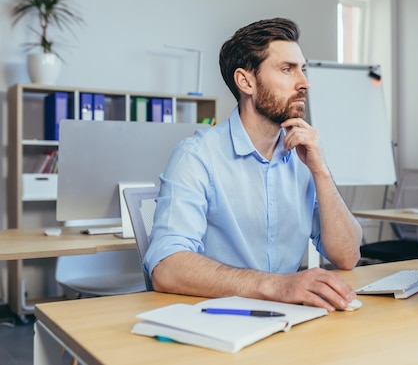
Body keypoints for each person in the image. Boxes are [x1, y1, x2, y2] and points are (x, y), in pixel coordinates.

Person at [144, 17, 363, 311]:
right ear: (246, 81)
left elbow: (348, 255)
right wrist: (277, 285)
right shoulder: (196, 156)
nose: (305, 83)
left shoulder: (303, 157)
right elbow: (166, 267)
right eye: (287, 69)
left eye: (303, 69)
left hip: (287, 319)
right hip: (217, 322)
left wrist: (320, 170)